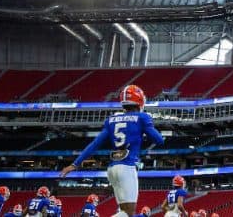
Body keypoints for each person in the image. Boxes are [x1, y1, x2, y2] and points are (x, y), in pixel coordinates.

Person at [60, 85, 164, 217]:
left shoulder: (111, 120)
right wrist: (146, 128)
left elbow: (95, 144)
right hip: (127, 166)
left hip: (112, 168)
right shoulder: (142, 117)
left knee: (123, 211)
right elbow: (159, 140)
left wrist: (74, 164)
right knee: (129, 213)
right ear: (139, 101)